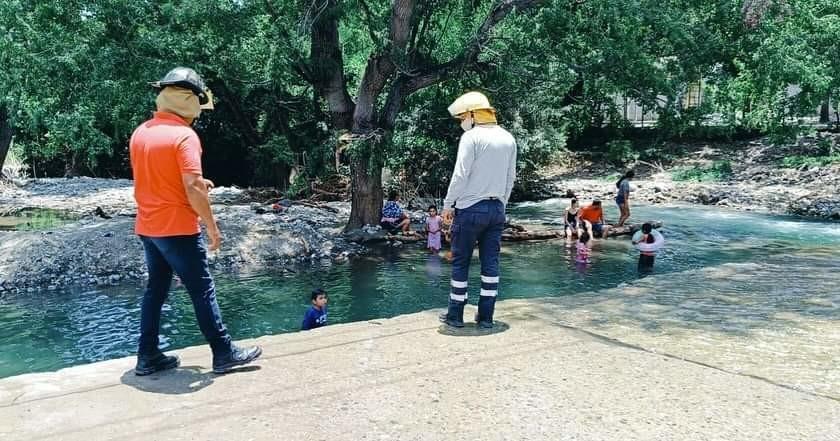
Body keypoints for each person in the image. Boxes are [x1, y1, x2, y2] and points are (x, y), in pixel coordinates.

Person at [131, 67, 261, 376]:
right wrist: (212, 226)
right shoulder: (184, 136)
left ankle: (147, 355)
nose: (198, 116)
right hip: (177, 228)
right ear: (189, 102)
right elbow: (189, 187)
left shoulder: (142, 131)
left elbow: (164, 180)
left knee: (156, 291)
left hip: (149, 227)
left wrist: (201, 185)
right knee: (202, 290)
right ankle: (224, 352)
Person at [439, 91, 517, 329]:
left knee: (461, 262)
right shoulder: (508, 138)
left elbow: (460, 175)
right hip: (497, 209)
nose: (461, 122)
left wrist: (447, 205)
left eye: (462, 117)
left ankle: (455, 316)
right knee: (490, 263)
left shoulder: (471, 138)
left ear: (473, 115)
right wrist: (501, 203)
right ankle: (486, 317)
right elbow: (510, 177)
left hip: (470, 208)